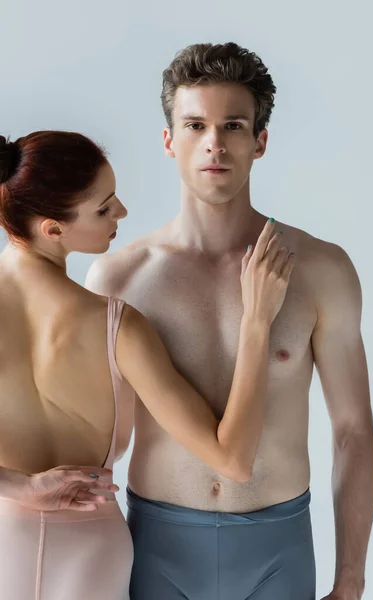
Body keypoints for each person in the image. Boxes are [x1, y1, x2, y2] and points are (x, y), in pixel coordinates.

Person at [86, 42, 373, 600]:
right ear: (169, 141)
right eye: (195, 125)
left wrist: (352, 579)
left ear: (259, 141)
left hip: (279, 549)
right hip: (158, 548)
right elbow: (97, 440)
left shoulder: (321, 269)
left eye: (234, 125)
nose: (214, 143)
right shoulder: (118, 279)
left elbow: (353, 431)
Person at [0, 130, 294, 600]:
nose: (121, 213)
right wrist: (256, 322)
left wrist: (21, 486)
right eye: (103, 208)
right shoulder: (117, 326)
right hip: (90, 550)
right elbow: (234, 461)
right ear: (51, 229)